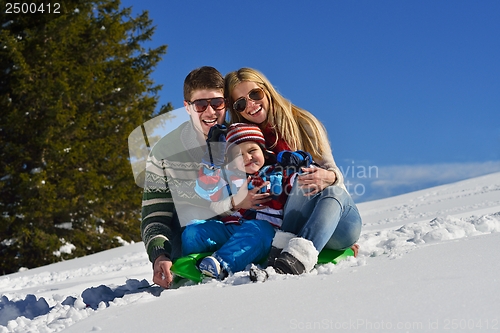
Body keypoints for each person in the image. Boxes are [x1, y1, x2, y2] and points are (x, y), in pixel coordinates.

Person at [141, 67, 269, 289]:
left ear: (226, 104)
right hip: (197, 236)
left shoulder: (243, 139)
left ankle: (238, 258)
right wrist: (159, 255)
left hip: (245, 228)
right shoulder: (164, 152)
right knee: (190, 213)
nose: (210, 112)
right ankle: (197, 273)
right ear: (187, 107)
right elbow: (155, 216)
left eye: (217, 103)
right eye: (200, 105)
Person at [224, 68, 362, 275]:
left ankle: (293, 252)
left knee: (330, 189)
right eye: (241, 103)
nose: (251, 105)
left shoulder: (303, 123)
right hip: (289, 224)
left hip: (333, 220)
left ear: (267, 90)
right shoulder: (244, 146)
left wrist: (331, 176)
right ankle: (289, 258)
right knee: (299, 180)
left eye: (255, 94)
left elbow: (331, 171)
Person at [181, 123, 313, 279]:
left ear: (264, 152)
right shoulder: (229, 177)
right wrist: (211, 160)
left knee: (259, 230)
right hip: (231, 230)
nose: (247, 158)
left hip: (264, 233)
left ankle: (221, 264)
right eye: (238, 156)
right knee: (193, 231)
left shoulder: (277, 173)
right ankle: (195, 260)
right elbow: (205, 189)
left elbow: (301, 183)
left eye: (252, 151)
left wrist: (300, 161)